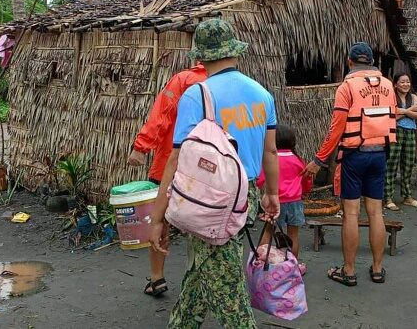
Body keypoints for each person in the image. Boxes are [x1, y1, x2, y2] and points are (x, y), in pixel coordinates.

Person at [148, 18, 280, 329]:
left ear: (202, 57)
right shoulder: (262, 94)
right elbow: (270, 151)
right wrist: (272, 194)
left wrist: (157, 218)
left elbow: (176, 158)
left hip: (210, 199)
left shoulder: (197, 95)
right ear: (235, 52)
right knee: (204, 267)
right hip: (246, 192)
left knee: (227, 290)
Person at [304, 42, 396, 286]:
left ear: (349, 61)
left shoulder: (347, 87)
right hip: (380, 155)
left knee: (351, 214)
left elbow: (337, 129)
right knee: (376, 212)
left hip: (354, 156)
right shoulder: (388, 85)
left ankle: (349, 270)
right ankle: (377, 269)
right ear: (372, 61)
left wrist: (319, 160)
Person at [128, 63, 207, 297]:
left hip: (172, 162)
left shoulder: (184, 80)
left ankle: (157, 277)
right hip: (209, 168)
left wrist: (141, 147)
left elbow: (162, 113)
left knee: (159, 219)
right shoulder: (227, 84)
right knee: (204, 220)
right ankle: (199, 278)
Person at [257, 124, 313, 275]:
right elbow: (307, 180)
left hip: (275, 202)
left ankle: (262, 263)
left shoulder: (271, 159)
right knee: (293, 234)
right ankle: (291, 267)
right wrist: (305, 192)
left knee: (268, 231)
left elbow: (260, 180)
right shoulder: (298, 160)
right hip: (295, 202)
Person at [384, 73, 417, 211]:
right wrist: (410, 110)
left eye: (407, 82)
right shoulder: (391, 96)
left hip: (410, 132)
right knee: (391, 164)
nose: (405, 84)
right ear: (395, 84)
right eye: (402, 82)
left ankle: (407, 197)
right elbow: (391, 116)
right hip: (395, 131)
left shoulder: (413, 97)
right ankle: (387, 198)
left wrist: (402, 112)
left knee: (408, 164)